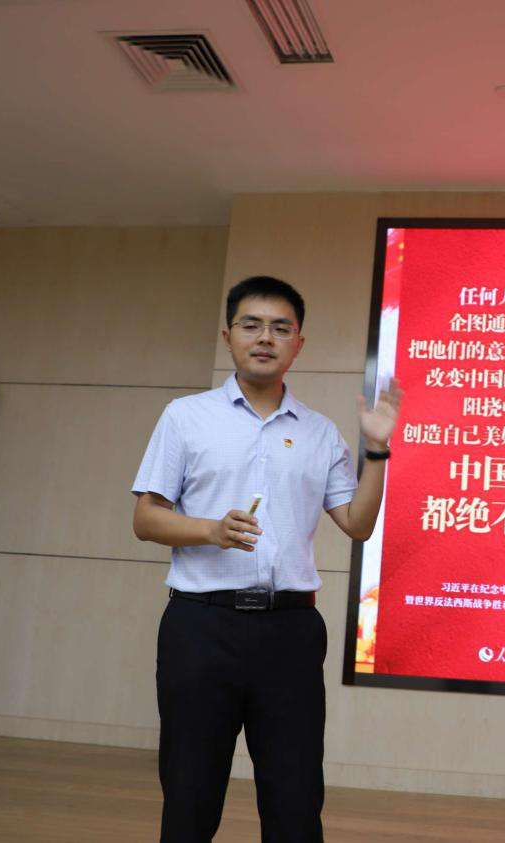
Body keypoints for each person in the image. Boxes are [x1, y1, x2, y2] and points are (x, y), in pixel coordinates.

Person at [131, 275, 400, 842]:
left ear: (298, 344)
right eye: (251, 325)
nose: (265, 338)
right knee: (190, 790)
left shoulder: (320, 433)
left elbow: (358, 524)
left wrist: (377, 450)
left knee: (295, 796)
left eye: (281, 328)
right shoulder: (185, 416)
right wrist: (210, 529)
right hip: (201, 627)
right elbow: (146, 519)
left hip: (290, 632)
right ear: (228, 336)